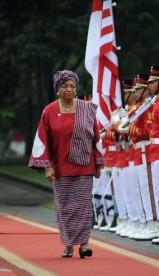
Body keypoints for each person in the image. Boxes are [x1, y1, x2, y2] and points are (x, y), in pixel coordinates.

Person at [28, 70, 103, 258]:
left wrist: (98, 162)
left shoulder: (87, 109)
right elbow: (42, 140)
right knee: (65, 208)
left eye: (72, 86)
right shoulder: (50, 110)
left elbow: (97, 137)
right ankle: (68, 245)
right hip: (60, 168)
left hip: (84, 166)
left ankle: (84, 244)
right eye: (64, 86)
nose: (69, 89)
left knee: (83, 207)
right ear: (57, 89)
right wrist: (46, 166)